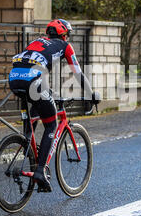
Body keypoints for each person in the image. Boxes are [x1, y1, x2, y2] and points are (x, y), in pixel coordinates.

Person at [9, 19, 100, 192]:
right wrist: (90, 94)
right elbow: (78, 73)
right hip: (34, 80)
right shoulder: (65, 46)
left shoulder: (36, 41)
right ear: (64, 35)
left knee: (39, 102)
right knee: (51, 124)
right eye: (67, 35)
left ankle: (27, 140)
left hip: (14, 77)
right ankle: (40, 171)